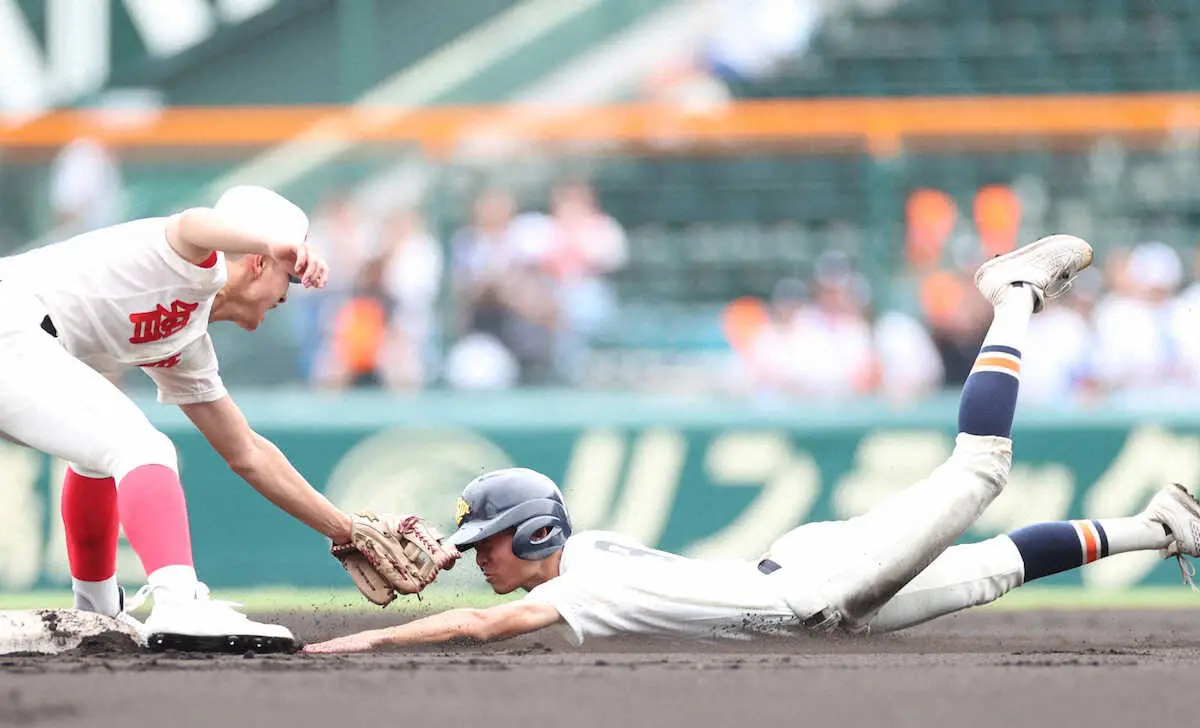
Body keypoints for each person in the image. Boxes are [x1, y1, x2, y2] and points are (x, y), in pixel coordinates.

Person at [302, 234, 1200, 653]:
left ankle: (1013, 295)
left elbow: (481, 624)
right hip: (815, 587)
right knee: (995, 565)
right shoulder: (580, 562)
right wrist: (447, 550)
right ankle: (1165, 524)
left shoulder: (584, 585)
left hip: (819, 582)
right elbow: (498, 588)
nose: (478, 559)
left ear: (534, 534)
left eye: (485, 543)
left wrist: (353, 647)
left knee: (982, 469)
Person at [0, 185, 361, 652]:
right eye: (288, 278)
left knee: (99, 453)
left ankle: (96, 610)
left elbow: (247, 453)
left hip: (18, 337)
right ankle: (178, 602)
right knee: (139, 446)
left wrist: (345, 531)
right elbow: (192, 223)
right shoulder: (195, 263)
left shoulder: (185, 339)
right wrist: (273, 241)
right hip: (12, 321)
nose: (287, 294)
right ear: (259, 263)